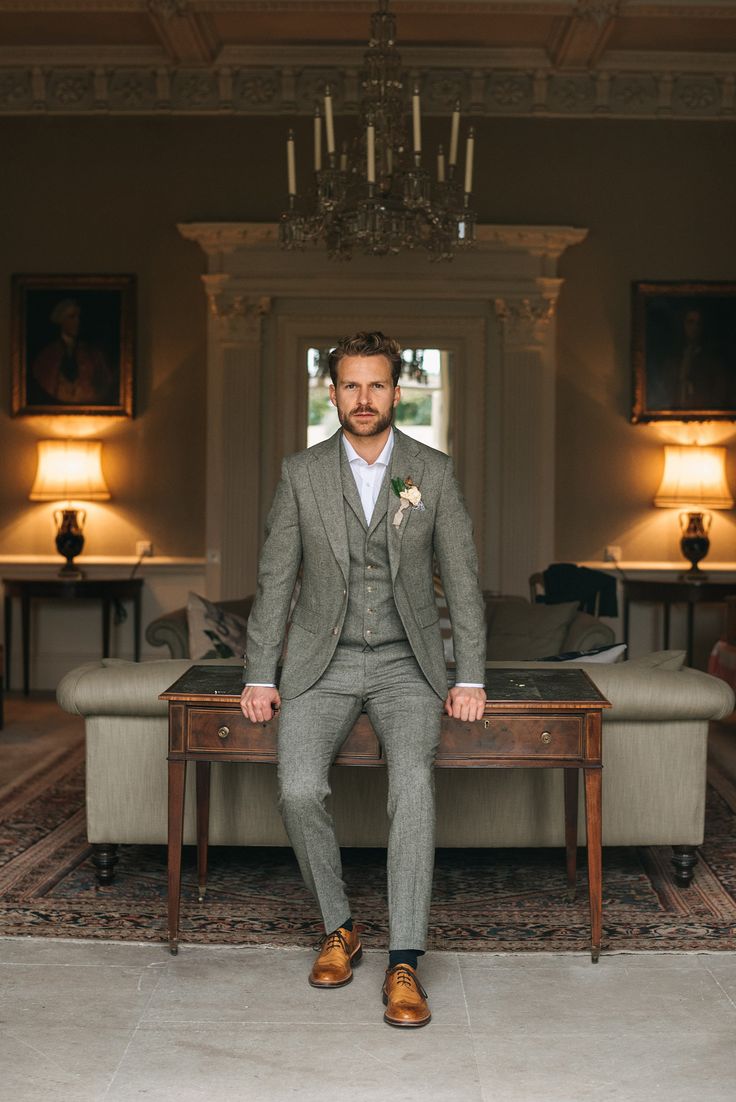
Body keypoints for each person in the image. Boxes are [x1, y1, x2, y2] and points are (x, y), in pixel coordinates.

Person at [240, 331, 486, 1028]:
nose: (364, 398)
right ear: (333, 391)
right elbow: (275, 577)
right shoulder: (300, 472)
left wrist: (469, 674)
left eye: (377, 385)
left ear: (396, 393)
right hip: (323, 661)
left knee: (412, 785)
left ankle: (405, 959)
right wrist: (260, 672)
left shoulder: (430, 473)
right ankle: (340, 925)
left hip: (409, 664)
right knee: (297, 787)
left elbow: (462, 581)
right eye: (351, 385)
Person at [30, 298, 114, 406]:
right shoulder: (48, 354)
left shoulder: (92, 353)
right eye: (72, 317)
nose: (77, 321)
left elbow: (104, 380)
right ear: (61, 320)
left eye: (78, 317)